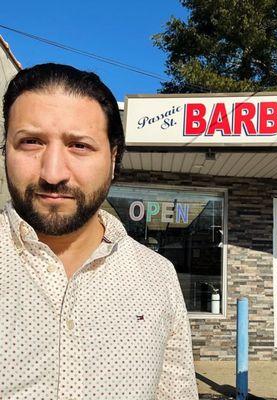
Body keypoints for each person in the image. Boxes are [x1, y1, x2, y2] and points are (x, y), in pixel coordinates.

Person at [0, 63, 199, 400]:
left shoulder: (158, 277)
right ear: (6, 149)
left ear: (113, 158)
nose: (52, 173)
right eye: (31, 142)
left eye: (79, 145)